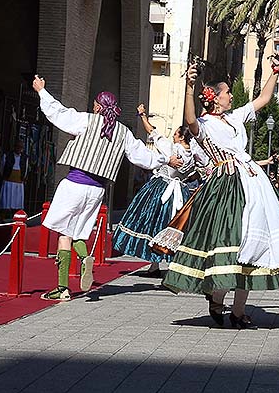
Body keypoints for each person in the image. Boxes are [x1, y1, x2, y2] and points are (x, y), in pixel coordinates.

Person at [162, 59, 279, 328]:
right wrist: (189, 87)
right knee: (231, 241)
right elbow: (189, 120)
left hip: (253, 183)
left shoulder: (235, 117)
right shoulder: (204, 124)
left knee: (253, 244)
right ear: (214, 98)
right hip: (225, 187)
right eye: (226, 92)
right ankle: (217, 297)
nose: (232, 95)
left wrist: (275, 73)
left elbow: (264, 98)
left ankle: (237, 311)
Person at [33, 77, 182, 302]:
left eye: (95, 103)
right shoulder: (123, 133)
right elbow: (142, 156)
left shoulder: (87, 121)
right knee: (79, 233)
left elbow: (59, 114)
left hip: (75, 182)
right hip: (97, 190)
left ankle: (62, 288)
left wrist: (42, 92)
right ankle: (84, 258)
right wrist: (165, 159)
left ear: (99, 107)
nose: (93, 106)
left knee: (65, 234)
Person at [112, 108, 204, 272]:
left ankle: (154, 264)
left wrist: (142, 116)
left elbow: (153, 132)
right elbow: (193, 175)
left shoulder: (172, 149)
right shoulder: (193, 155)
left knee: (154, 223)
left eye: (176, 134)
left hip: (162, 188)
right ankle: (172, 264)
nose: (173, 136)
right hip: (181, 193)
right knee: (174, 226)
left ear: (181, 137)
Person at [0, 135, 27, 218]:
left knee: (16, 201)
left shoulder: (24, 158)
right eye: (17, 147)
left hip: (18, 181)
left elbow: (26, 169)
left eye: (21, 147)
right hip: (8, 180)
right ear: (14, 147)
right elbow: (2, 167)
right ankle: (4, 215)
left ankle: (15, 215)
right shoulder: (7, 155)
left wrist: (23, 177)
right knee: (6, 200)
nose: (19, 149)